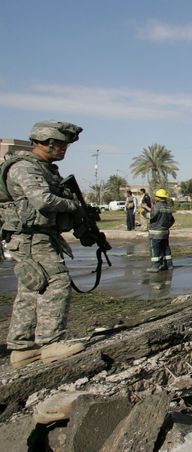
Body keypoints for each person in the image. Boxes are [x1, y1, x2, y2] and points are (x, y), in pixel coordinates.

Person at [1, 120, 86, 368]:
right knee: (57, 283)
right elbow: (43, 200)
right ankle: (51, 344)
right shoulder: (25, 168)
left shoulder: (43, 167)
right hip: (31, 238)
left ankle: (22, 348)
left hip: (35, 236)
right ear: (47, 144)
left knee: (31, 290)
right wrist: (73, 206)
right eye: (60, 145)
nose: (63, 150)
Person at [147, 188, 175, 272]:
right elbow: (172, 220)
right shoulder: (168, 207)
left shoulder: (157, 206)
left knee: (155, 249)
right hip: (165, 232)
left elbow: (150, 216)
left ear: (158, 197)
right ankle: (169, 265)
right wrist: (166, 227)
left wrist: (143, 211)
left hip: (155, 233)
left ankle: (155, 266)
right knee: (165, 249)